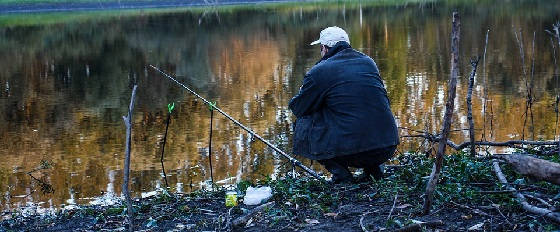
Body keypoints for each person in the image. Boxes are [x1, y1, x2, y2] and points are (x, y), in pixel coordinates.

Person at [289, 26, 399, 183]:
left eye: (320, 49)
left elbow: (299, 108)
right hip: (387, 146)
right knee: (361, 111)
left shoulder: (319, 71)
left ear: (324, 48)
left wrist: (303, 90)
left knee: (303, 123)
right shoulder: (369, 62)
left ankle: (341, 175)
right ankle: (374, 170)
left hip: (355, 151)